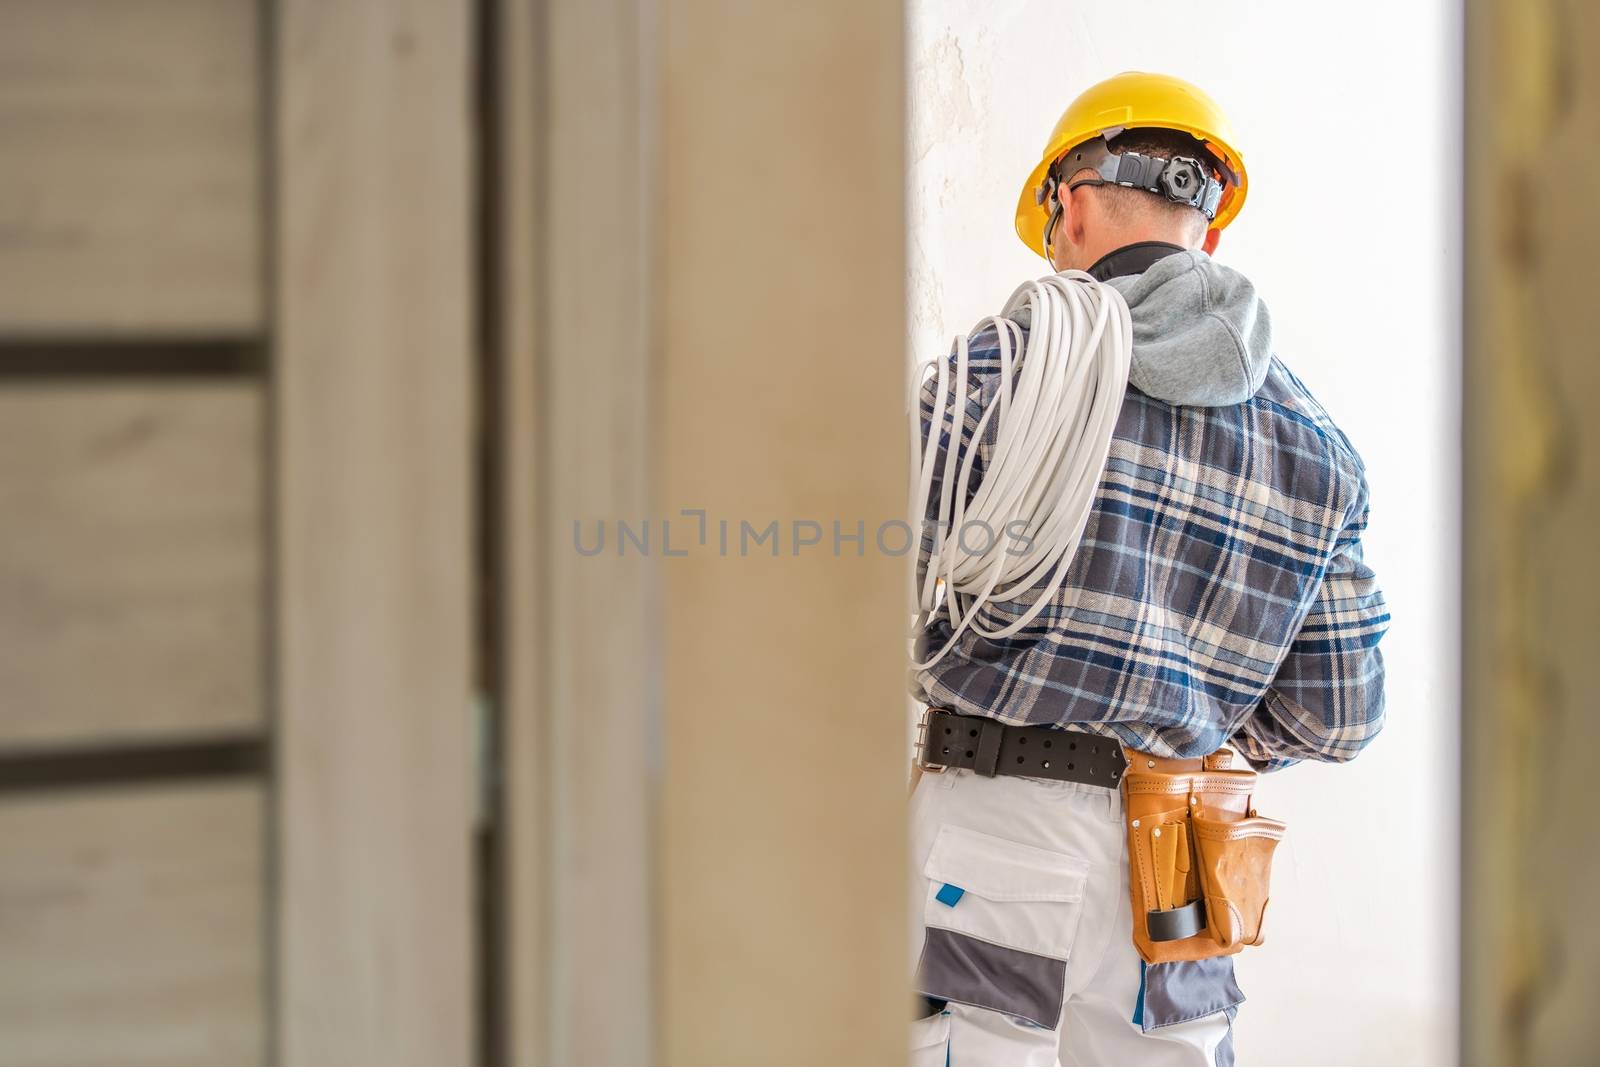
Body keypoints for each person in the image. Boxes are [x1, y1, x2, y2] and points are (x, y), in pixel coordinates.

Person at [908, 72, 1389, 1066]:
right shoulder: (1319, 450)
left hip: (995, 832)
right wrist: (1187, 715)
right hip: (1174, 861)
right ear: (1206, 230)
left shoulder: (995, 372)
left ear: (1069, 209)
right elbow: (1339, 713)